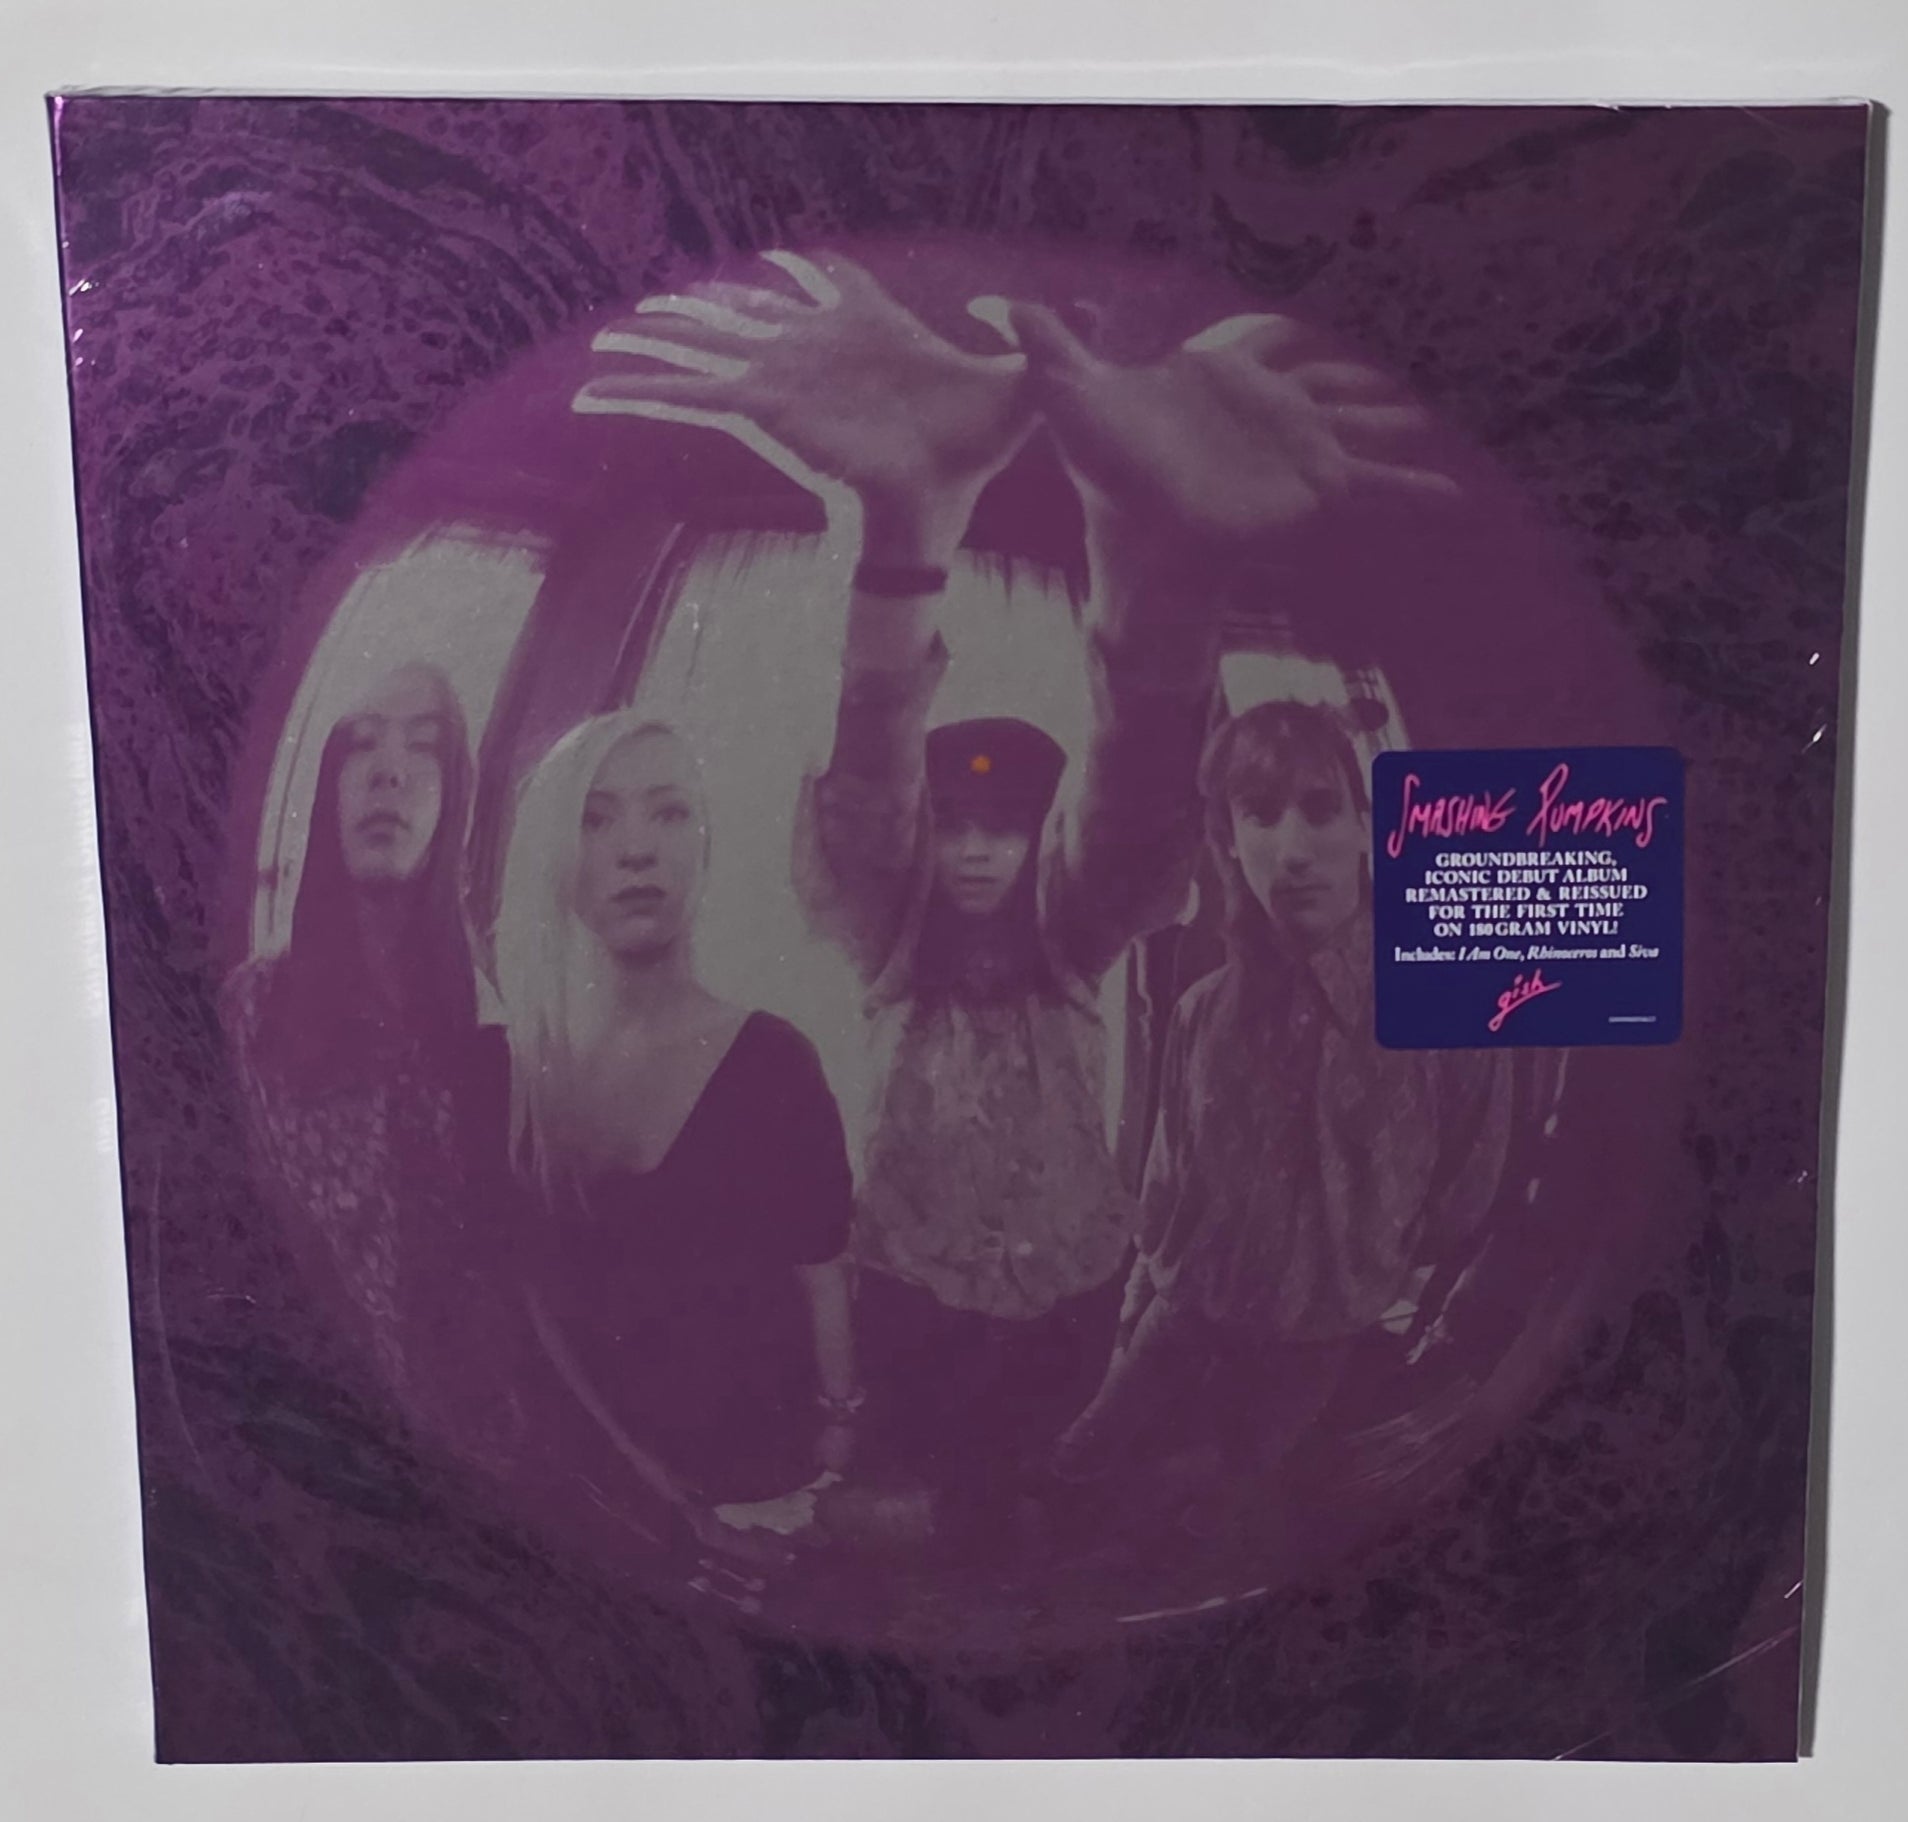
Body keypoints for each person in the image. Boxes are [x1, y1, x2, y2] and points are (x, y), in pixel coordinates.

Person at [574, 253, 1457, 1550]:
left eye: (1006, 823)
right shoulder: (888, 935)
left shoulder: (1067, 938)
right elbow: (866, 801)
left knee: (1036, 1502)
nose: (980, 847)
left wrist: (1164, 572)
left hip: (1074, 1285)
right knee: (933, 1514)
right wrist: (899, 535)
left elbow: (1132, 818)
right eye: (960, 822)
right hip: (911, 1284)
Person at [1051, 698, 1520, 1521]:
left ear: (1365, 828)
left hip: (1315, 1339)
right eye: (1262, 815)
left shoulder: (1449, 1000)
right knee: (1078, 1465)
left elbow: (1464, 1196)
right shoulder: (1200, 1011)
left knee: (1221, 1502)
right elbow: (1165, 1189)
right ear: (1230, 841)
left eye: (1321, 809)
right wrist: (1132, 1327)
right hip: (1180, 1313)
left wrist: (1358, 1262)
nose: (1295, 850)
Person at [493, 710, 859, 1551]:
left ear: (706, 847)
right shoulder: (521, 1074)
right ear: (556, 855)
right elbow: (538, 1309)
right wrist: (649, 1498)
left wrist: (833, 1461)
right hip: (601, 1503)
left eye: (668, 812)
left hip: (763, 1494)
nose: (637, 850)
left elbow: (824, 1279)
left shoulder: (773, 1060)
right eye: (596, 819)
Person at [223, 662, 514, 1455]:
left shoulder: (496, 1032)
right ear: (327, 787)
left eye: (422, 748)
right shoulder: (253, 1012)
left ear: (455, 798)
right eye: (361, 744)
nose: (389, 771)